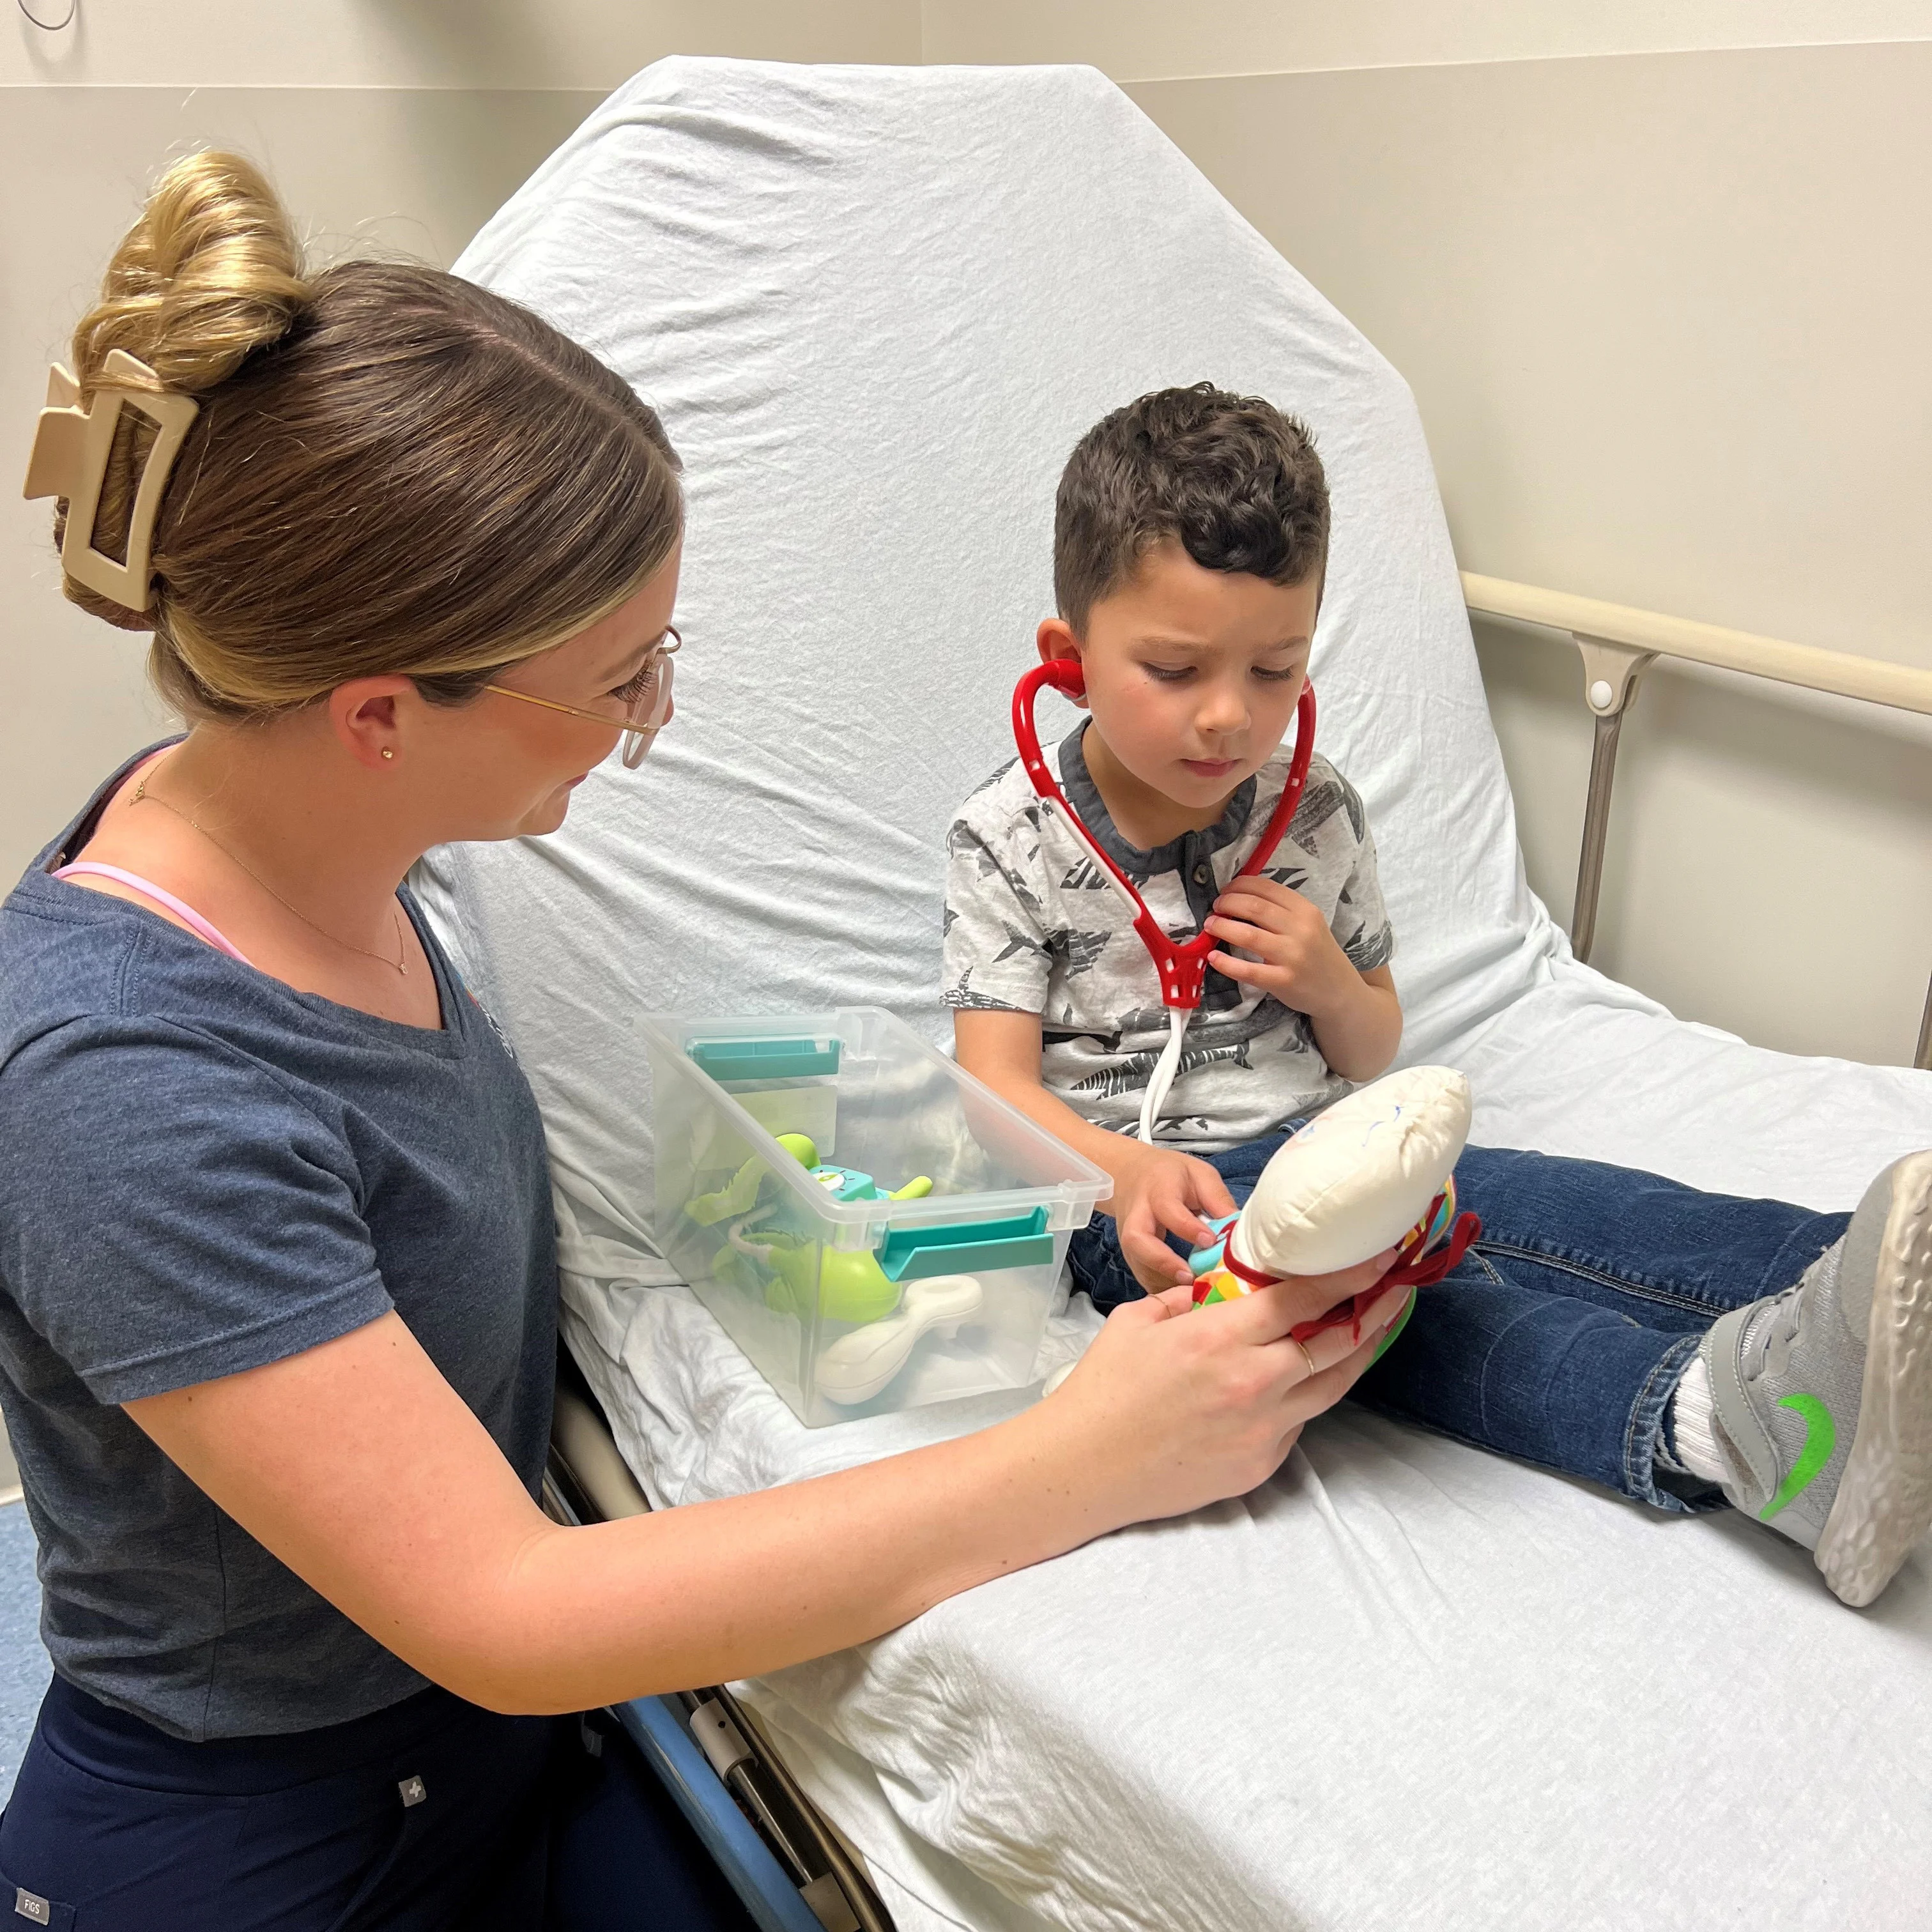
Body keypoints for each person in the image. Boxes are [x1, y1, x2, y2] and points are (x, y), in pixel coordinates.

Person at [0, 158, 1414, 1927]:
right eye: (622, 683)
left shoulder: (314, 837)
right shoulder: (117, 1088)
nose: (654, 716)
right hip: (258, 1823)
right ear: (377, 715)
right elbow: (510, 1614)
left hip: (499, 1748)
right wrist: (1091, 1457)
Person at [946, 381, 1932, 1613]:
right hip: (1144, 1205)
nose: (1229, 716)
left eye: (1275, 669)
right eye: (1175, 667)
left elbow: (1373, 1039)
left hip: (1323, 1141)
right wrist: (1123, 1175)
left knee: (1540, 1198)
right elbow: (988, 1085)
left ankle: (1871, 1295)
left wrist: (1326, 980)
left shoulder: (1313, 814)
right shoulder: (1010, 839)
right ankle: (1721, 1426)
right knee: (1404, 1304)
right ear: (1070, 662)